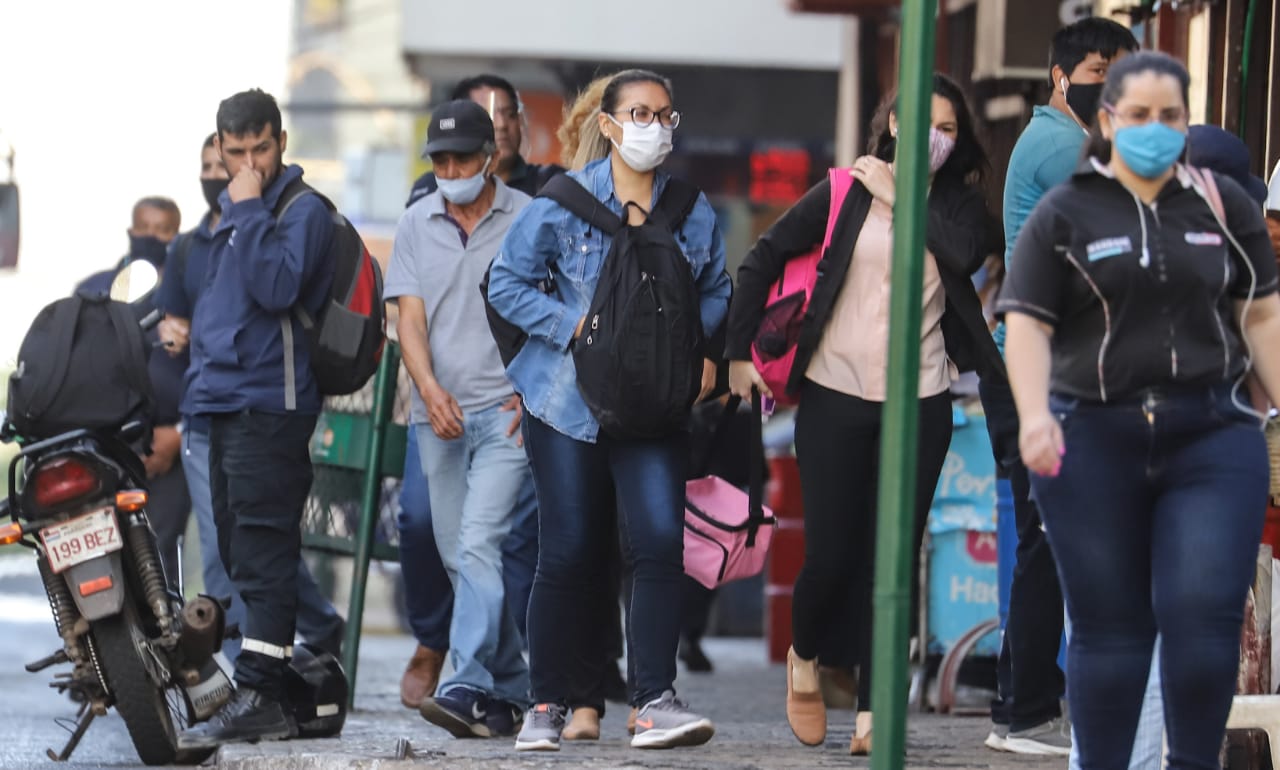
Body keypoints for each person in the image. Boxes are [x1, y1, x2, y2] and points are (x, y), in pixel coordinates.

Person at [999, 51, 1280, 770]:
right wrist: (1034, 416)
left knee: (1203, 620)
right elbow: (1027, 326)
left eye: (1170, 116)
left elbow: (1262, 322)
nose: (1156, 129)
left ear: (1185, 122)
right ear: (1108, 119)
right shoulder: (1066, 212)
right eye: (1139, 115)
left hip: (1213, 433)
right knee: (1111, 629)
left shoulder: (1226, 208)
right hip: (1092, 433)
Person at [725, 73, 1001, 755]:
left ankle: (879, 711)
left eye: (948, 129)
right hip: (834, 390)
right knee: (834, 553)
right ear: (894, 123)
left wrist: (902, 193)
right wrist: (735, 355)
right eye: (924, 122)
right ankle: (807, 656)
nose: (935, 137)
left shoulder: (963, 209)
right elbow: (763, 259)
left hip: (923, 399)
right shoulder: (846, 190)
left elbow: (962, 254)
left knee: (895, 557)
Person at [489, 68, 731, 752]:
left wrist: (693, 348)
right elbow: (505, 283)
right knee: (566, 551)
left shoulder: (690, 209)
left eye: (664, 115)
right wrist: (572, 326)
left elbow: (717, 287)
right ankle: (546, 705)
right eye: (640, 114)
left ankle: (654, 700)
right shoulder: (563, 201)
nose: (653, 127)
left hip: (656, 404)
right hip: (566, 402)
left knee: (658, 544)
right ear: (611, 124)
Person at [983, 16, 1139, 756]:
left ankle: (1019, 705)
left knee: (1044, 539)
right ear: (1061, 76)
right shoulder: (1058, 146)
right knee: (1048, 540)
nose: (1108, 86)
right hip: (1045, 370)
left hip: (1049, 363)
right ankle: (1026, 712)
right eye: (1098, 72)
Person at [177, 88, 339, 749]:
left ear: (280, 142)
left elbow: (275, 288)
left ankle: (263, 695)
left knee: (265, 551)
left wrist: (247, 206)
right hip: (216, 402)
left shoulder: (302, 212)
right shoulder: (224, 216)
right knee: (237, 555)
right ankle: (266, 684)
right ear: (219, 147)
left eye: (260, 148)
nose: (249, 162)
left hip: (271, 404)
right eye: (235, 151)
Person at [396, 73, 556, 711]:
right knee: (459, 558)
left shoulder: (530, 216)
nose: (452, 168)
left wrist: (532, 389)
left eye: (463, 157)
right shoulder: (414, 223)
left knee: (479, 543)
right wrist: (428, 390)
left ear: (491, 156)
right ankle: (515, 684)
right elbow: (408, 318)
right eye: (440, 159)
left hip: (504, 416)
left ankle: (463, 682)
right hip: (436, 416)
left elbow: (557, 308)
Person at [77, 197, 188, 589]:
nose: (151, 237)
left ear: (178, 237)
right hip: (103, 444)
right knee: (98, 555)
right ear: (130, 231)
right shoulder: (95, 291)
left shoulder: (192, 296)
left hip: (168, 448)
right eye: (145, 228)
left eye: (163, 230)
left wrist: (179, 433)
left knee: (159, 559)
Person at [406, 74, 562, 205]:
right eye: (487, 115)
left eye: (510, 114)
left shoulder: (551, 184)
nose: (501, 125)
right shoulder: (430, 189)